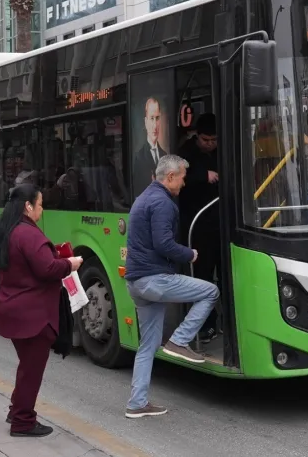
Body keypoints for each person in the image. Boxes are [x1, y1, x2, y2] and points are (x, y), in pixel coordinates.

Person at [123, 155, 219, 419]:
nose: (184, 184)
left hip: (136, 283)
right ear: (170, 177)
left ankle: (137, 403)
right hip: (155, 279)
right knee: (210, 291)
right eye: (182, 178)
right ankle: (179, 341)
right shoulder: (163, 203)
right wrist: (190, 254)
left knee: (147, 346)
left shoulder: (143, 198)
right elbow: (163, 244)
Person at [0, 184, 83, 437]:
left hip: (13, 308)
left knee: (26, 366)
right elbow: (47, 269)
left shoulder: (7, 229)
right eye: (40, 204)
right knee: (32, 370)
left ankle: (16, 410)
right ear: (28, 206)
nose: (42, 209)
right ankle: (23, 421)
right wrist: (70, 263)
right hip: (32, 315)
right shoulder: (28, 234)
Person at [177, 114, 221, 342]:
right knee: (202, 276)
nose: (210, 144)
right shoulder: (185, 153)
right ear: (197, 136)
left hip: (220, 223)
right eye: (206, 140)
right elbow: (178, 180)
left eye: (214, 140)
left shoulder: (222, 151)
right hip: (196, 225)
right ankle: (207, 324)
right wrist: (203, 176)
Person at [132, 97, 167, 195]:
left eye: (157, 118)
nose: (155, 125)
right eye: (152, 118)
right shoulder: (138, 157)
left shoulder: (165, 155)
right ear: (145, 122)